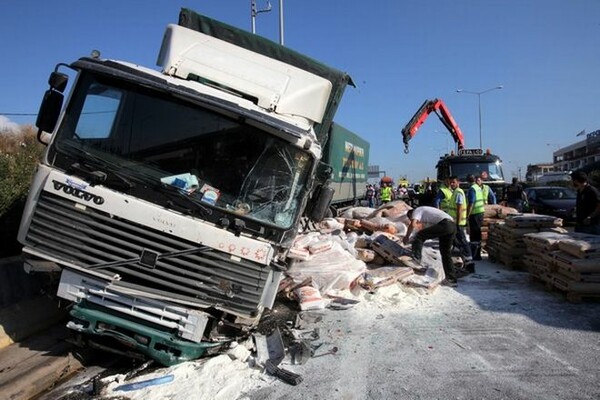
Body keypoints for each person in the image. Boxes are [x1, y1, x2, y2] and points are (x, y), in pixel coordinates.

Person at [402, 206, 458, 287]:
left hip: (445, 224)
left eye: (411, 218)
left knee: (420, 235)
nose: (413, 219)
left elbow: (413, 224)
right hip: (452, 226)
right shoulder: (427, 213)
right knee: (446, 253)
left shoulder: (417, 211)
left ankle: (416, 258)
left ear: (411, 214)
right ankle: (451, 280)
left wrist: (407, 237)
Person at [448, 176, 475, 273]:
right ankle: (463, 260)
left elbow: (459, 209)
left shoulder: (458, 192)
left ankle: (469, 262)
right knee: (456, 241)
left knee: (463, 241)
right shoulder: (455, 192)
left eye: (453, 182)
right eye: (450, 182)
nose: (452, 184)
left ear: (458, 182)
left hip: (458, 223)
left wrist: (457, 223)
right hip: (454, 222)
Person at [571, 170, 600, 234]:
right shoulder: (579, 191)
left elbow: (599, 205)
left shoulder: (592, 191)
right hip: (580, 223)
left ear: (576, 181)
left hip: (591, 225)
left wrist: (590, 217)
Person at [466, 174, 485, 261]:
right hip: (480, 212)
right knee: (478, 233)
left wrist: (467, 214)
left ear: (468, 181)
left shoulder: (472, 189)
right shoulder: (478, 187)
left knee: (474, 235)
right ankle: (477, 253)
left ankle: (475, 254)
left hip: (475, 214)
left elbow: (471, 203)